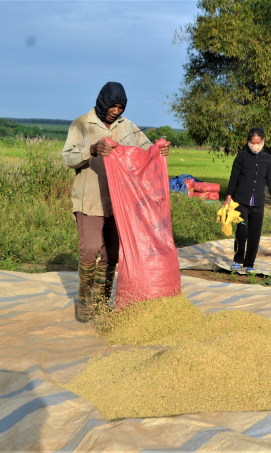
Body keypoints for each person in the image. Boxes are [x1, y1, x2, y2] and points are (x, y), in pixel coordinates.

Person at [62, 81, 170, 322]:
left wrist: (159, 149)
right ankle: (85, 300)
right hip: (89, 199)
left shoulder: (127, 126)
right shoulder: (82, 124)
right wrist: (91, 149)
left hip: (119, 200)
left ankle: (101, 303)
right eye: (113, 106)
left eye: (121, 107)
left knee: (112, 254)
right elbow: (68, 158)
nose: (116, 111)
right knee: (90, 249)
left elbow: (146, 150)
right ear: (103, 102)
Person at [223, 127, 271, 272]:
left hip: (258, 202)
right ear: (248, 142)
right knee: (242, 229)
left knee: (255, 233)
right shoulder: (242, 156)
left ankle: (249, 264)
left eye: (258, 143)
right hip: (241, 200)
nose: (255, 146)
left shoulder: (267, 158)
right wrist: (228, 197)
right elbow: (234, 177)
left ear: (263, 141)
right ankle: (238, 260)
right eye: (252, 143)